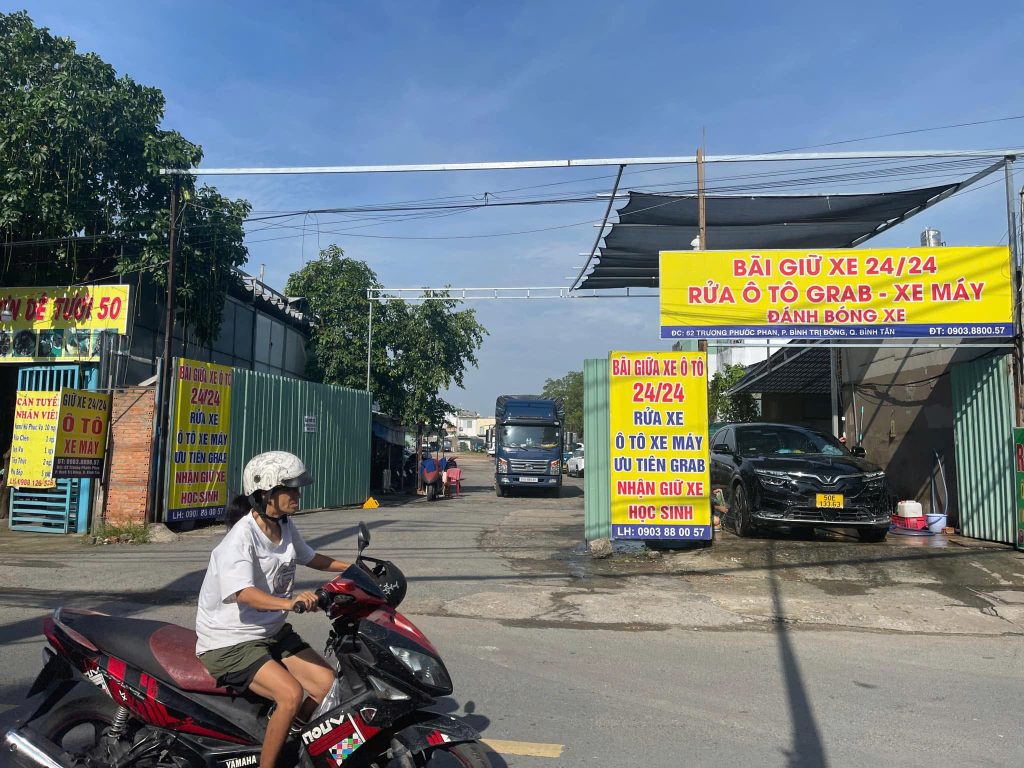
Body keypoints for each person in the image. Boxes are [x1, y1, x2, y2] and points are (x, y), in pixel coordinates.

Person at [195, 451, 351, 768]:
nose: (298, 496)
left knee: (327, 685)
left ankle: (288, 736)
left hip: (271, 631)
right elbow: (243, 593)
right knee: (290, 694)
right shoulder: (241, 537)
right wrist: (289, 603)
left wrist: (354, 570)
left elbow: (310, 557)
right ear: (266, 492)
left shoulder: (284, 525)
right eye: (291, 489)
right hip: (230, 641)